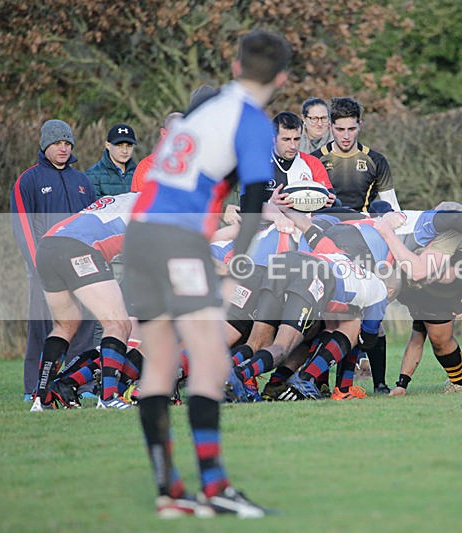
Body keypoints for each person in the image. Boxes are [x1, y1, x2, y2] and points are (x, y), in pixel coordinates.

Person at [123, 29, 290, 518]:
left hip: (140, 237)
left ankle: (169, 492)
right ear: (281, 78)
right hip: (177, 241)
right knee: (210, 358)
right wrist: (240, 256)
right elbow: (256, 196)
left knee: (157, 363)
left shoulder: (202, 112)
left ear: (236, 67)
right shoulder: (251, 121)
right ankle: (215, 488)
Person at [312, 96, 400, 392]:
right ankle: (324, 383)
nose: (346, 136)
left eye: (351, 129)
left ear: (359, 126)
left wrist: (392, 223)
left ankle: (380, 383)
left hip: (366, 241)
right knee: (329, 315)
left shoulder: (376, 161)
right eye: (340, 129)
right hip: (328, 242)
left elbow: (391, 206)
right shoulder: (314, 159)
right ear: (331, 128)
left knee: (373, 308)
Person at [10, 119, 97, 401]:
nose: (63, 148)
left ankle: (78, 384)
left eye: (67, 143)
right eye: (57, 143)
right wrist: (37, 265)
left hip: (79, 266)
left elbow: (92, 223)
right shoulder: (29, 180)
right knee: (42, 326)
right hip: (44, 267)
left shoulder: (82, 181)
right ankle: (34, 386)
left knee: (82, 326)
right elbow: (22, 227)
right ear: (45, 145)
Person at [29, 193, 140, 411]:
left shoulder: (126, 197)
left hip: (48, 246)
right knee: (118, 324)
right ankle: (109, 398)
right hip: (79, 249)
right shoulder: (160, 207)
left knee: (65, 325)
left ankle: (42, 399)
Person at [131, 113, 183, 193]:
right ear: (163, 133)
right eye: (174, 132)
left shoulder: (198, 164)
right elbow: (138, 201)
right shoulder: (145, 166)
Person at [86, 123, 138, 197]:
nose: (125, 151)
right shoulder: (92, 175)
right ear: (108, 145)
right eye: (119, 145)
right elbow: (92, 206)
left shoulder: (140, 173)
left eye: (129, 146)